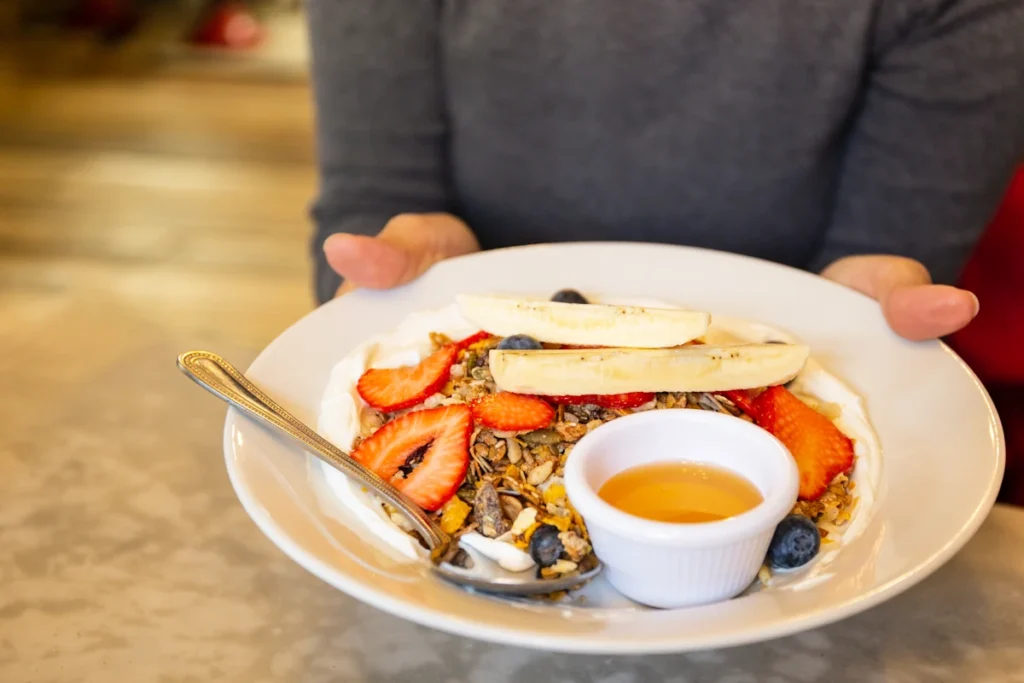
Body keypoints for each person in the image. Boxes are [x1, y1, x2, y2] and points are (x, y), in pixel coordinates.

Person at [304, 1, 1024, 343]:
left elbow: (883, 265)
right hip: (480, 380)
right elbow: (376, 203)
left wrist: (856, 325)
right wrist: (401, 285)